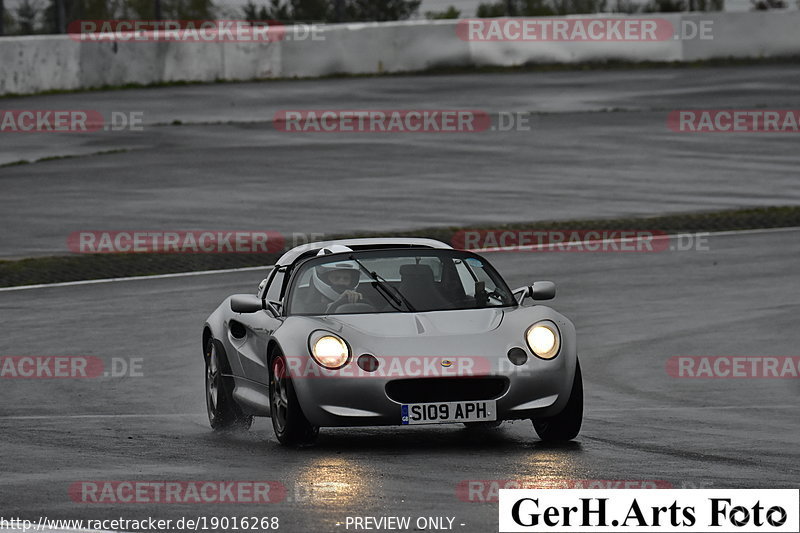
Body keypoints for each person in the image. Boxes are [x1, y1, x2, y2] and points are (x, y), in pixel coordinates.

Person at [304, 246, 364, 313]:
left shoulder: (360, 299)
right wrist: (337, 303)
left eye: (346, 278)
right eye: (336, 278)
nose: (341, 282)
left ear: (352, 281)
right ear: (324, 278)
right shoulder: (307, 309)